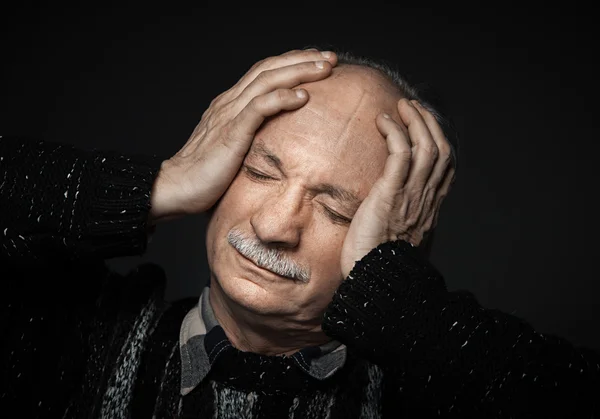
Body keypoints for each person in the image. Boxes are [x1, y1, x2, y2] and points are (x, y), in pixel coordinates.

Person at [0, 48, 598, 419]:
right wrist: (157, 185)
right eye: (260, 172)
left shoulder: (423, 395)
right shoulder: (73, 332)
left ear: (392, 234)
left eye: (337, 212)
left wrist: (398, 297)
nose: (274, 225)